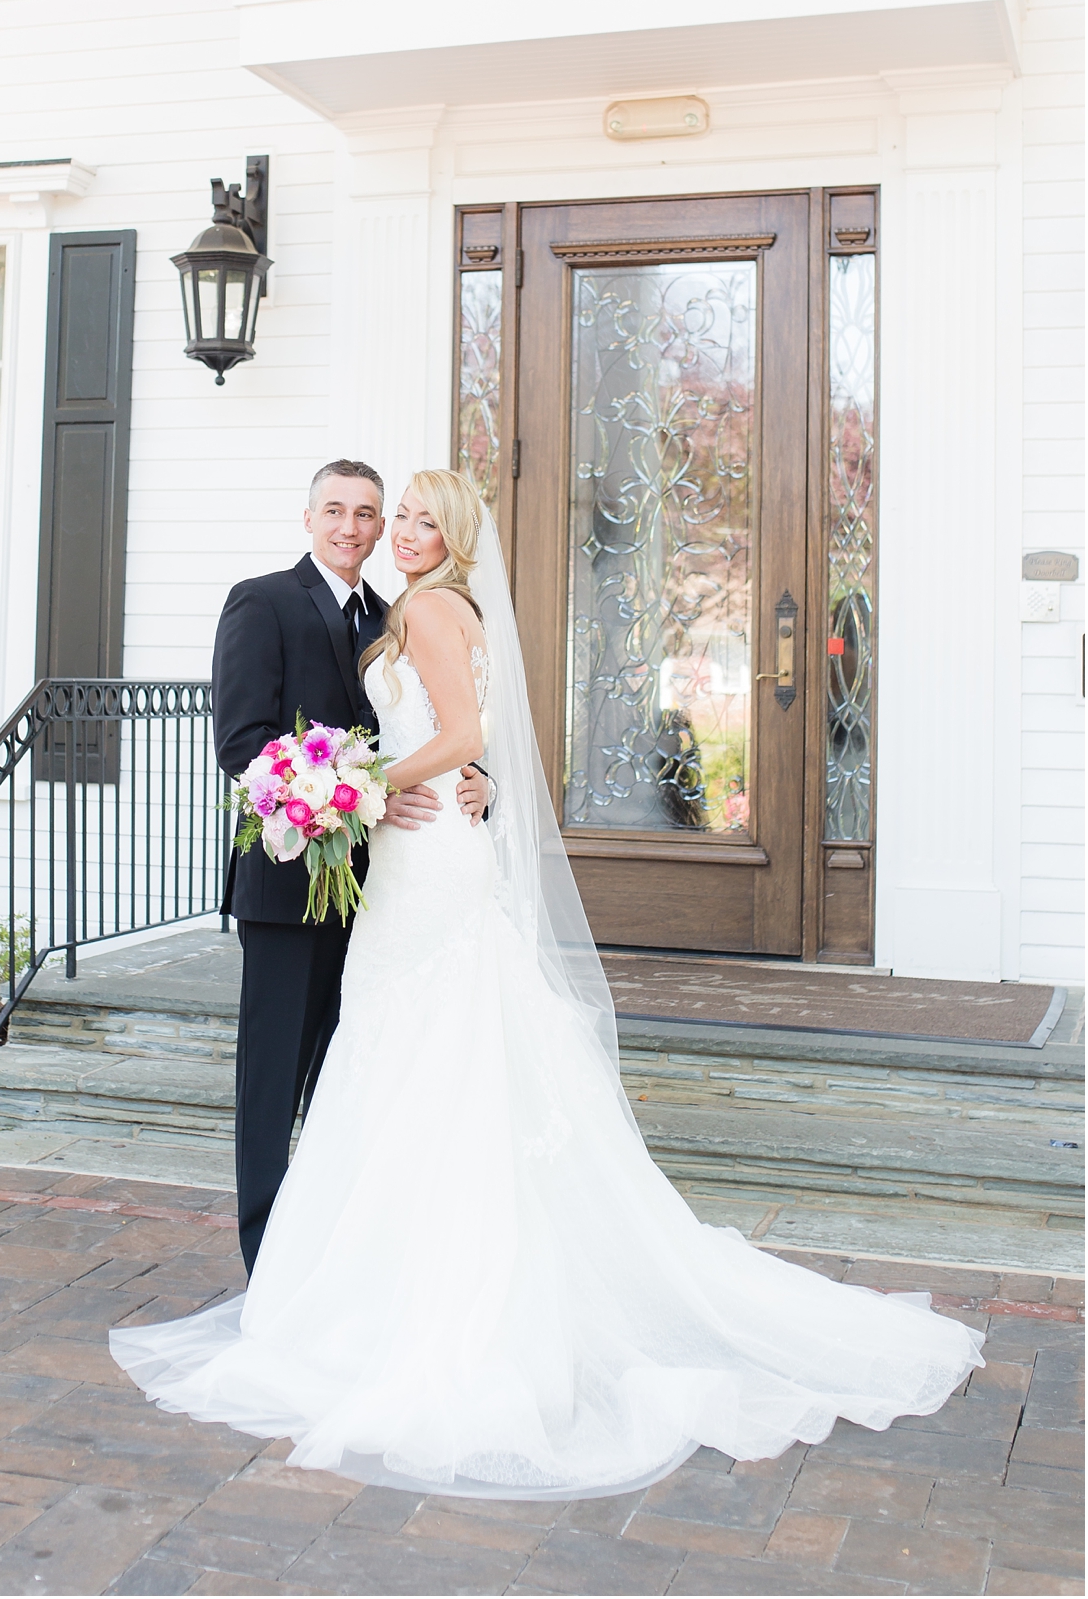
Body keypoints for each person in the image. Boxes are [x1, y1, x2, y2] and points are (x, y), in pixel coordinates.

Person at [116, 470, 983, 1499]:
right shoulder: (287, 602)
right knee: (310, 1073)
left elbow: (457, 732)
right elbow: (250, 742)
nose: (380, 529)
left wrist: (414, 779)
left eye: (401, 515)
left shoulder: (419, 609)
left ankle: (368, 1284)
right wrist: (376, 783)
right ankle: (294, 1270)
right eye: (368, 514)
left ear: (450, 532)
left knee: (413, 1058)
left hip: (408, 867)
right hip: (316, 873)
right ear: (311, 518)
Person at [210, 458, 490, 1275]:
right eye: (336, 509)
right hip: (291, 882)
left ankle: (333, 1256)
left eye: (370, 513)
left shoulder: (392, 611)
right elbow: (242, 744)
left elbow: (440, 724)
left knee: (349, 1079)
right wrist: (349, 790)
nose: (355, 526)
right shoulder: (261, 601)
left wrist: (477, 778)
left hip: (387, 886)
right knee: (272, 1084)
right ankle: (267, 1261)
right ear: (308, 518)